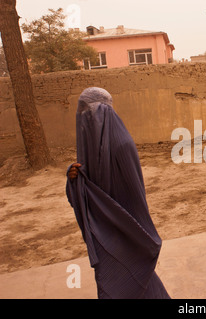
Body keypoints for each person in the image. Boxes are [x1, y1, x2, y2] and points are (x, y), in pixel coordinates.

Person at [66, 87, 170, 299]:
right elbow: (85, 194)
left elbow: (135, 196)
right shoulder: (88, 149)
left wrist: (130, 231)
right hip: (101, 229)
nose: (86, 119)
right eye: (82, 113)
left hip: (125, 227)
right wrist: (74, 180)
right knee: (119, 278)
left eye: (90, 112)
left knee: (129, 274)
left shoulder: (123, 145)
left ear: (104, 111)